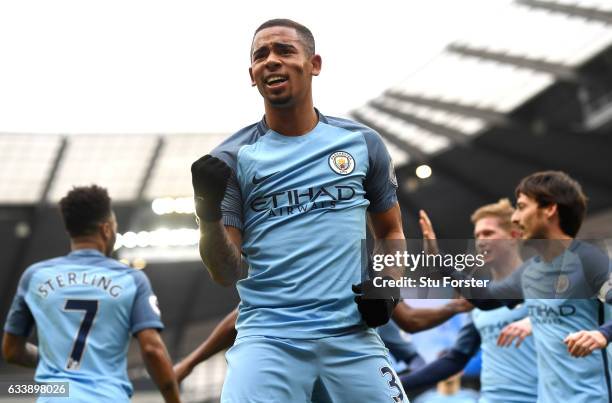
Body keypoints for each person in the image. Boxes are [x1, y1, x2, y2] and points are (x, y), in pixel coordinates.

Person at [190, 18, 407, 402]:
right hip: (269, 341)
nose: (270, 60)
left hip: (352, 335)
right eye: (261, 55)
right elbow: (226, 272)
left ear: (314, 64)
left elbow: (391, 232)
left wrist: (388, 284)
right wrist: (207, 218)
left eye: (284, 50)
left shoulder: (363, 143)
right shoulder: (230, 160)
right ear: (252, 76)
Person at [2, 185, 181, 403]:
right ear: (106, 229)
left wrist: (55, 359)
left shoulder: (35, 276)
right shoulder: (131, 280)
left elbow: (11, 350)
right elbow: (152, 349)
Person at [446, 171, 612, 402]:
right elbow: (486, 299)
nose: (515, 218)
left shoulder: (589, 261)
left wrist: (603, 334)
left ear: (550, 209)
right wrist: (441, 265)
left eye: (522, 207)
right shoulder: (530, 272)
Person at [402, 200, 538, 403]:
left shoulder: (539, 280)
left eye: (488, 233)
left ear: (514, 236)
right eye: (477, 236)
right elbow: (455, 359)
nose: (481, 241)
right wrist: (396, 382)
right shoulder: (478, 301)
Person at [174, 300, 473, 383]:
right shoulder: (289, 276)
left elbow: (410, 321)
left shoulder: (363, 278)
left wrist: (454, 307)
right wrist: (189, 362)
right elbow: (242, 316)